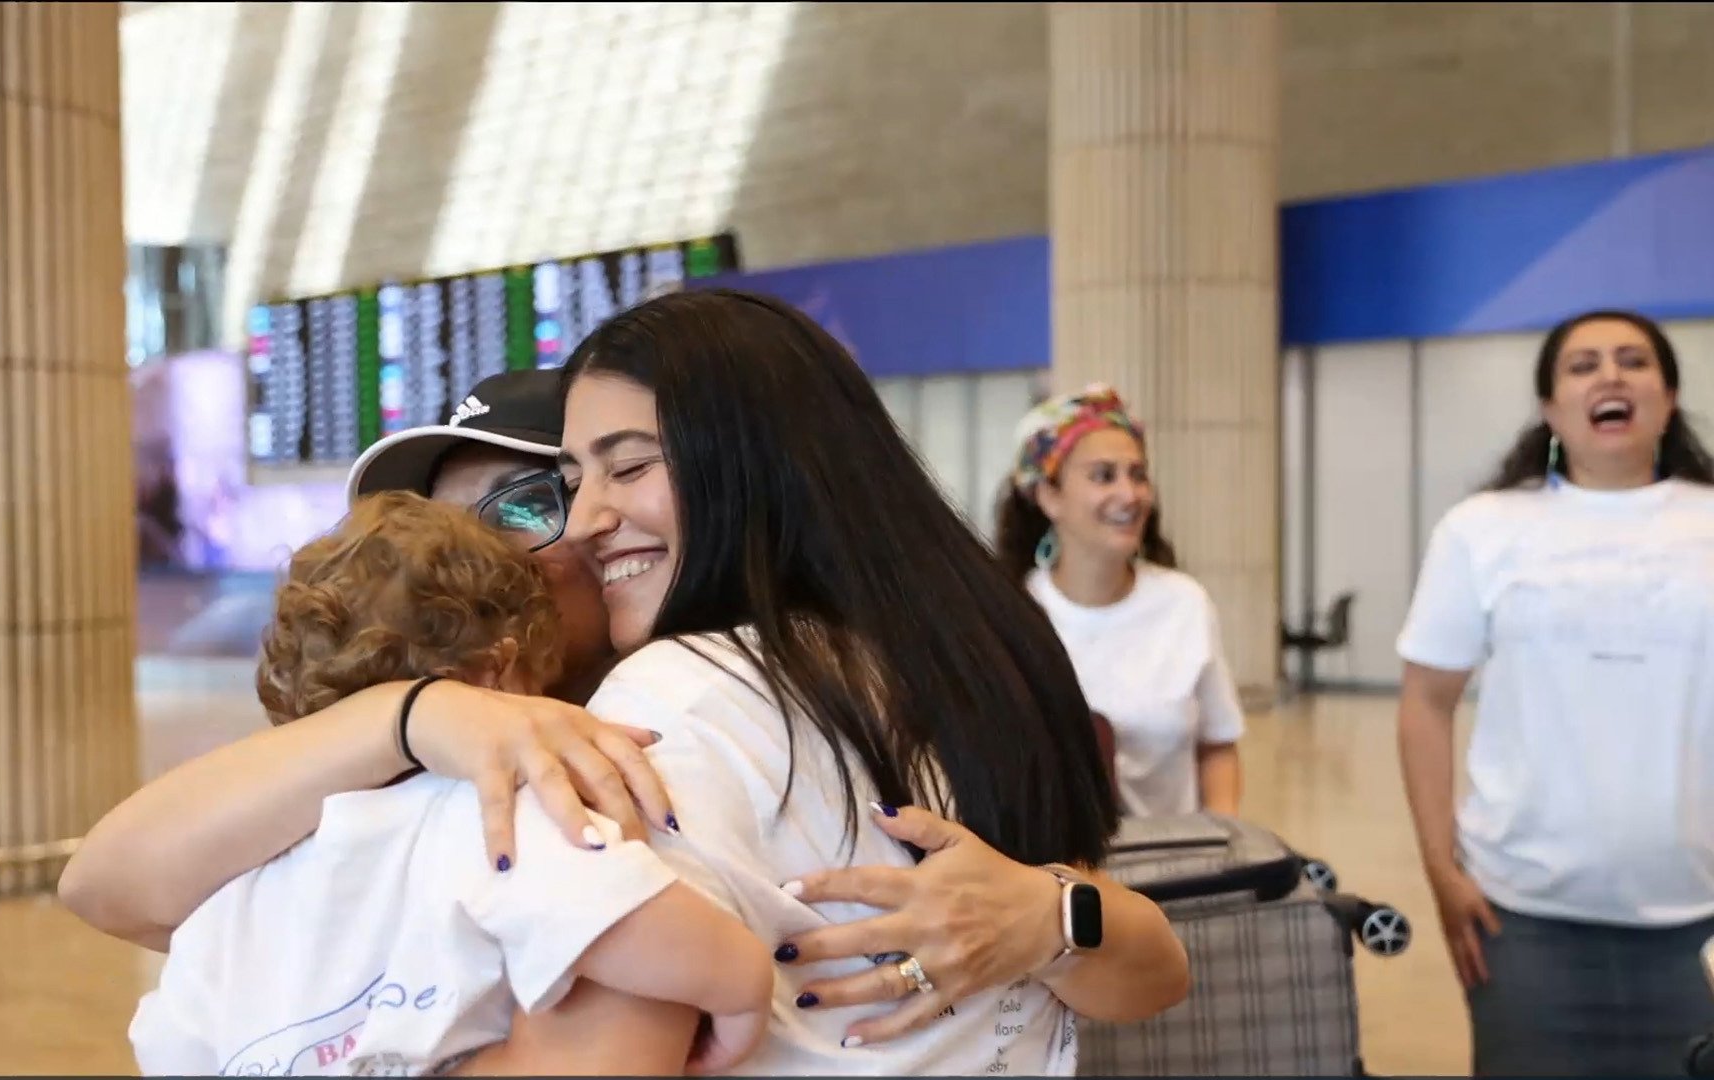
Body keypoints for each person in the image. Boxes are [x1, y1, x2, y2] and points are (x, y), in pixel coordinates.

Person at [62, 357, 1186, 1054]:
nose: (570, 530)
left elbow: (1143, 965)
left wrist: (1052, 914)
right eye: (443, 537)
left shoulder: (703, 720)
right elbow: (107, 883)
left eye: (525, 501)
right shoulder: (430, 761)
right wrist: (415, 716)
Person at [532, 287, 1187, 1072]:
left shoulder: (668, 705)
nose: (583, 522)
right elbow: (1140, 973)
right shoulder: (978, 651)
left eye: (629, 465)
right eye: (572, 483)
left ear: (755, 462)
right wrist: (1055, 919)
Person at [129, 492, 773, 1075]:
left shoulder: (238, 886)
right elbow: (625, 922)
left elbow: (170, 1042)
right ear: (501, 672)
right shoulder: (496, 813)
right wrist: (742, 987)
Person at [1395, 309, 1714, 1076]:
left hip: (1696, 921)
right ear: (1549, 408)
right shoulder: (1483, 528)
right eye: (1583, 365)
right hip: (1523, 920)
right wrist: (1442, 870)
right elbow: (1425, 704)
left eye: (1633, 361)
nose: (1609, 375)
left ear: (1667, 399)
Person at [991, 385, 1244, 818]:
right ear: (1049, 496)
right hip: (1055, 876)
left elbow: (1217, 743)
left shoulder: (1184, 604)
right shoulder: (1012, 614)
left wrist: (1224, 839)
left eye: (1138, 474)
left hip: (1174, 870)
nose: (1130, 495)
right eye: (1103, 475)